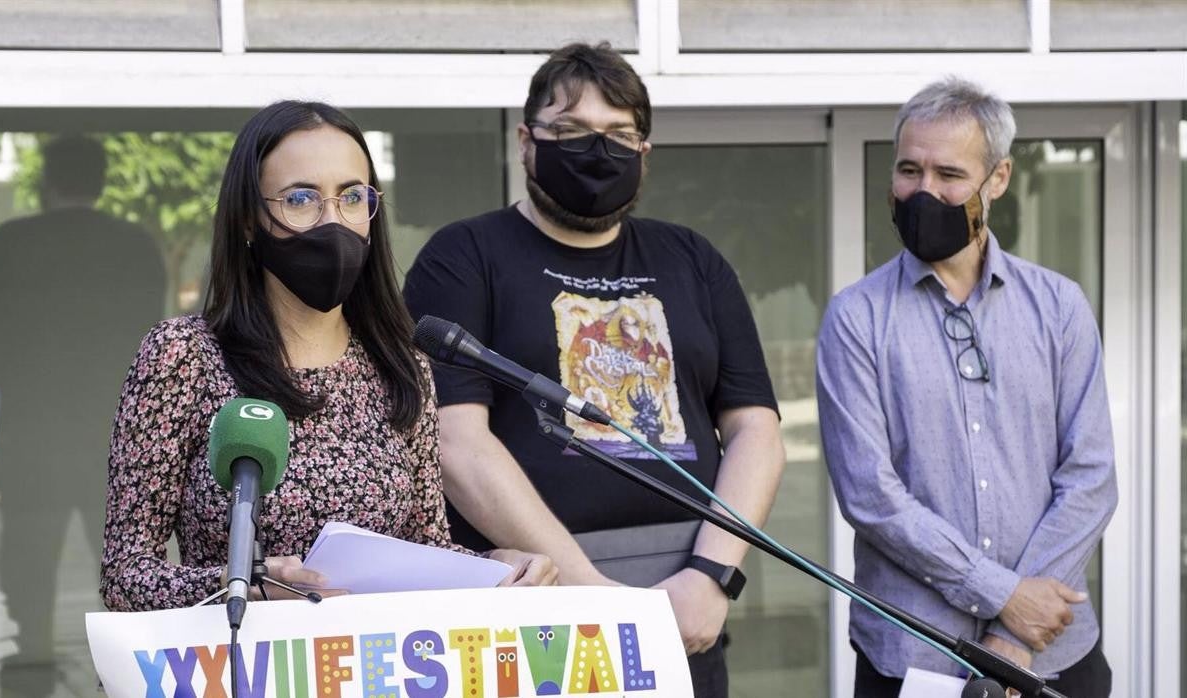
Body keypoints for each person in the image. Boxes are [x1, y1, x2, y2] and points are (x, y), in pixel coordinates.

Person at [403, 43, 786, 697]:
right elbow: (455, 443)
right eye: (571, 131)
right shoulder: (464, 257)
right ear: (526, 141)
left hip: (685, 602)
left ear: (645, 152)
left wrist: (711, 575)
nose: (597, 151)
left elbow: (758, 431)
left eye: (619, 135)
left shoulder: (693, 259)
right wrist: (592, 593)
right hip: (536, 603)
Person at [99, 101, 555, 613]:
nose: (331, 221)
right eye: (300, 198)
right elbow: (125, 575)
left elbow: (426, 549)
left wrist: (499, 566)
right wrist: (242, 585)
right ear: (249, 218)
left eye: (352, 197)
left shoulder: (402, 366)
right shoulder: (182, 356)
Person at [816, 77, 1116, 697]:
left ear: (997, 179)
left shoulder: (1058, 306)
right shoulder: (856, 319)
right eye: (908, 170)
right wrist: (1004, 595)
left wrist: (1017, 633)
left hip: (1054, 655)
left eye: (949, 174)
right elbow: (871, 495)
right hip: (911, 658)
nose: (924, 192)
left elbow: (1090, 477)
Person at [0, 134, 165, 690]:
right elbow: (149, 349)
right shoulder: (134, 245)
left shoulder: (7, 245)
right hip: (113, 443)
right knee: (129, 579)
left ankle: (28, 680)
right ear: (101, 181)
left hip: (30, 440)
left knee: (26, 583)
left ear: (47, 181)